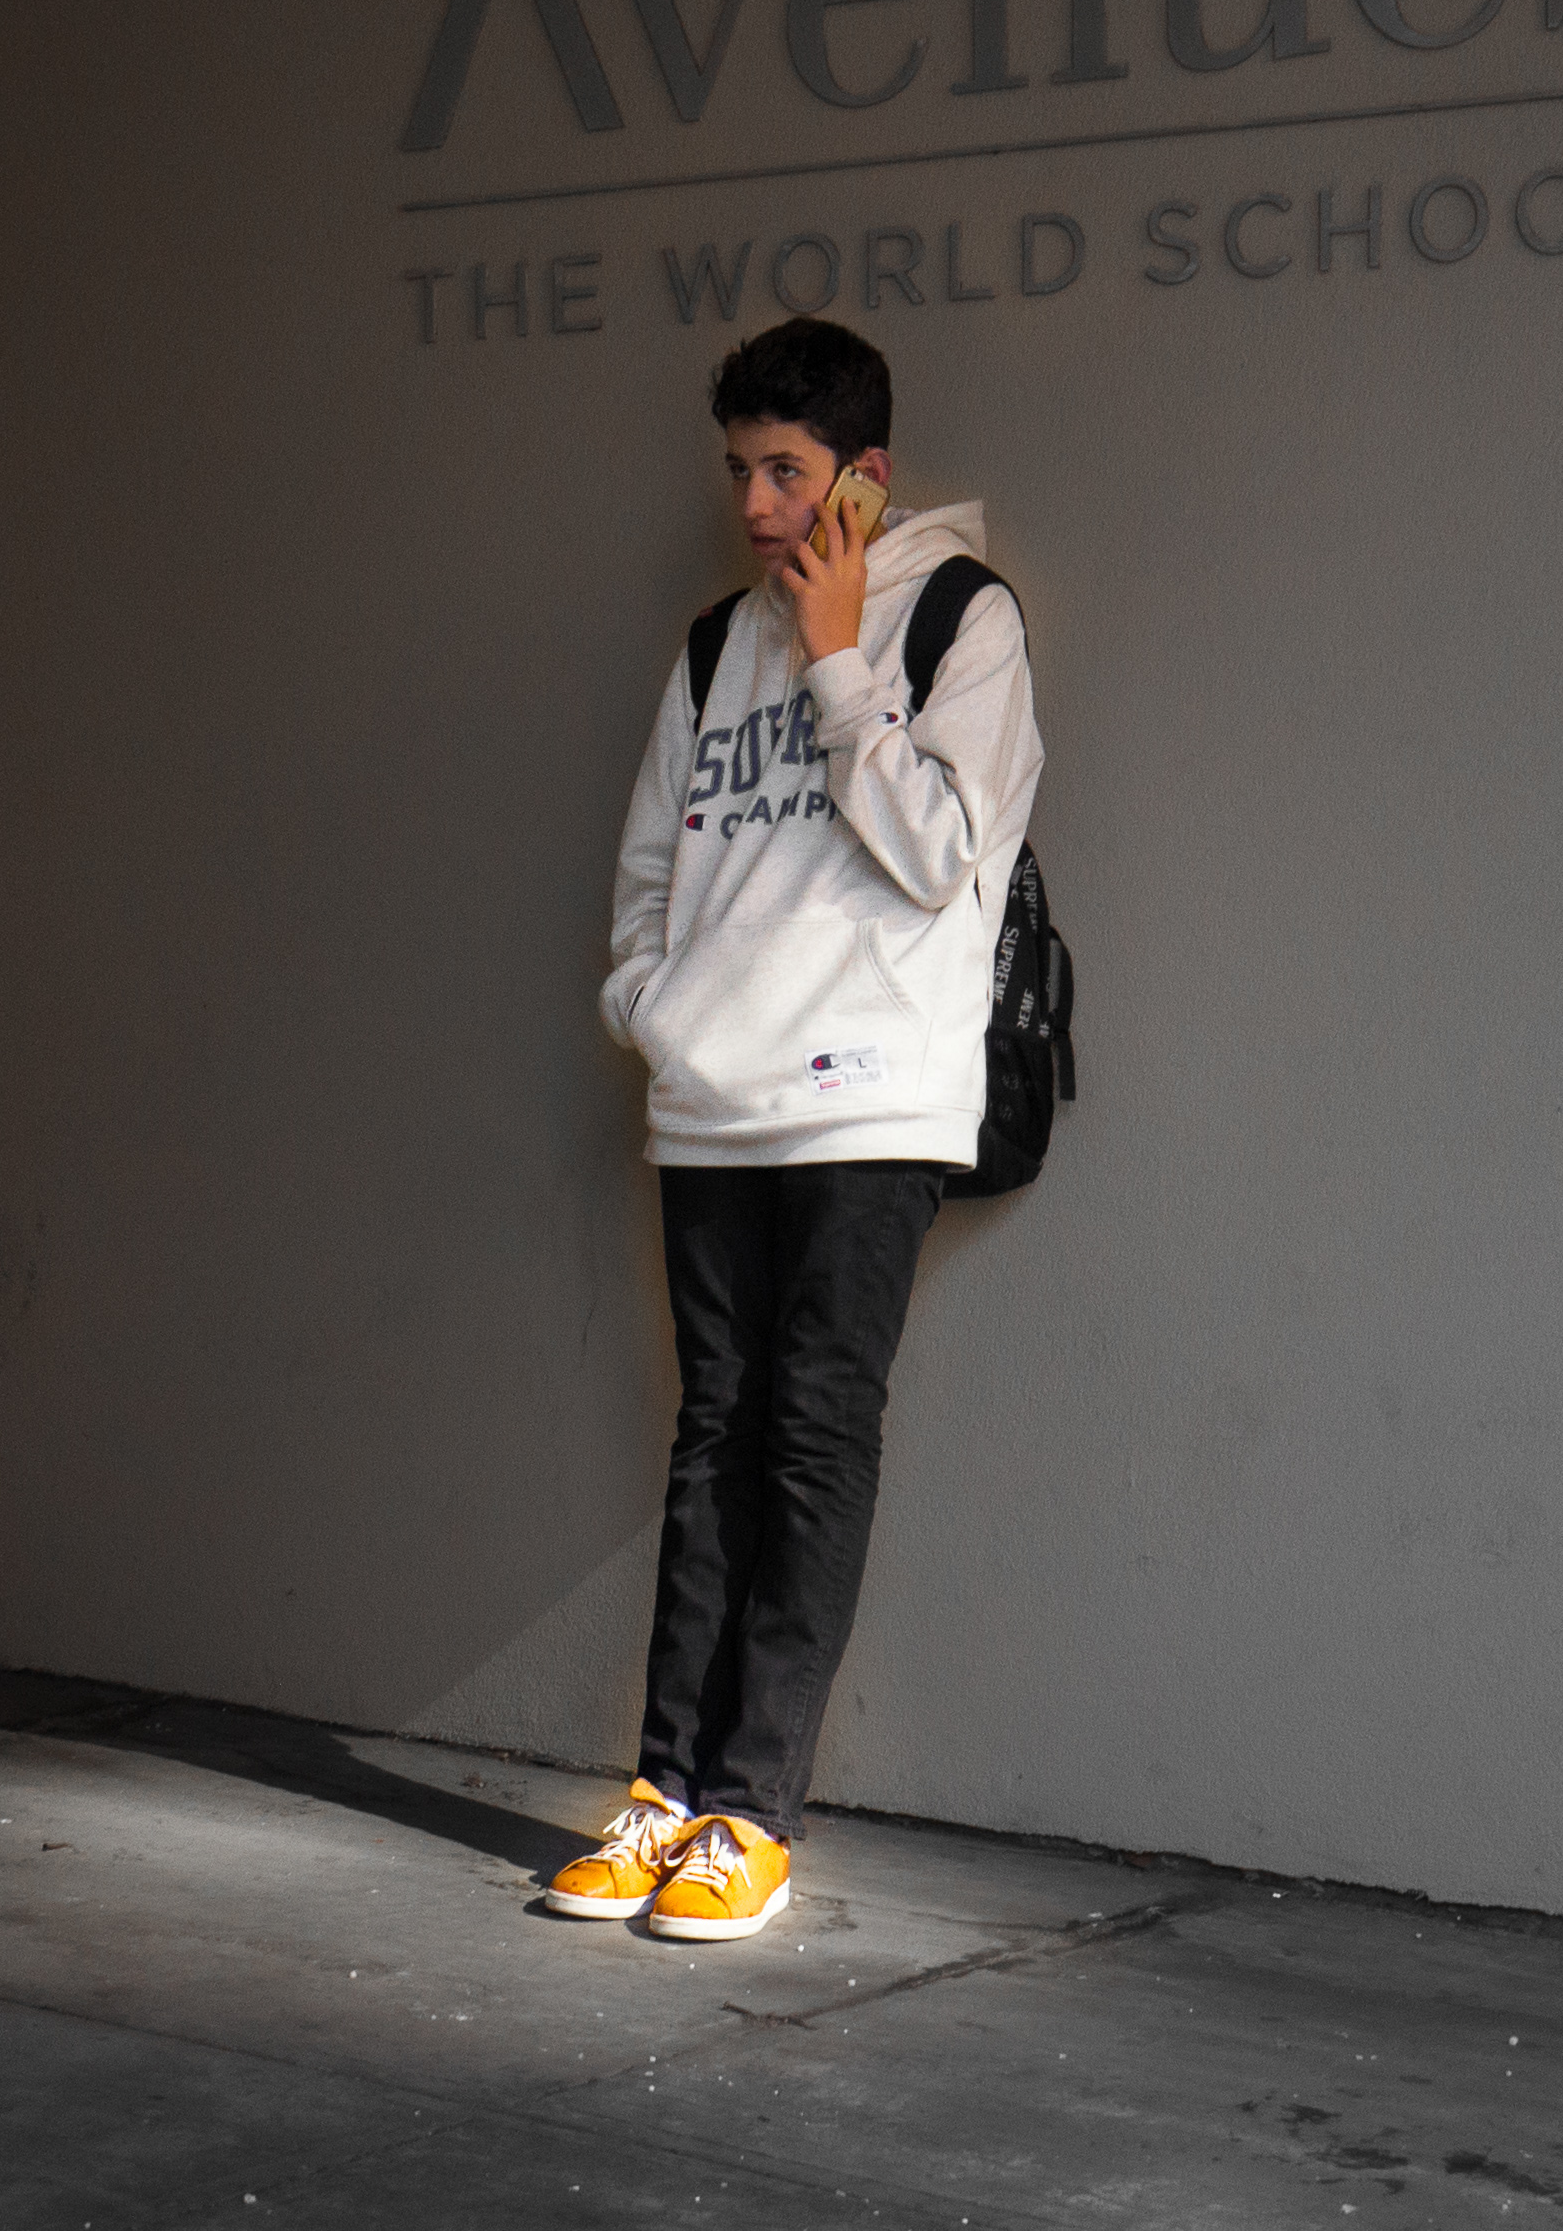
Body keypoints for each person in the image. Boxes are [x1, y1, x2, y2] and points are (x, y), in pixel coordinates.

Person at [547, 317, 1043, 1941]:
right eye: (738, 470)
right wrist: (654, 1006)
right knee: (712, 1437)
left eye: (784, 472)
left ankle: (752, 1811)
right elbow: (645, 874)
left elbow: (937, 857)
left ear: (864, 478)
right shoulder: (708, 648)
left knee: (813, 1441)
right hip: (712, 1103)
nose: (755, 505)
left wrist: (841, 660)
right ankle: (663, 1791)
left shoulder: (964, 622)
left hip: (869, 1106)